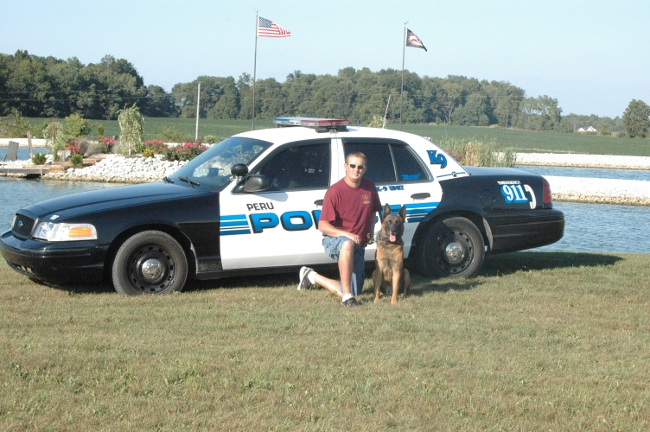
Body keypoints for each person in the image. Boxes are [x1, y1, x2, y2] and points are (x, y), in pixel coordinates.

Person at [298, 152, 382, 306]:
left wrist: (369, 233)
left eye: (360, 167)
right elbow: (323, 226)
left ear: (365, 169)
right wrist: (348, 235)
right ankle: (347, 298)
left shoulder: (369, 187)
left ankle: (311, 276)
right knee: (347, 244)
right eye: (352, 166)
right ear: (346, 166)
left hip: (358, 244)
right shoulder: (335, 191)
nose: (356, 170)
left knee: (355, 290)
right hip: (334, 240)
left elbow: (372, 212)